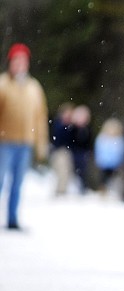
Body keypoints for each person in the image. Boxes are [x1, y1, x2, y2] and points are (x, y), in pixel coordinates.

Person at [0, 43, 48, 230]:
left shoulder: (34, 87)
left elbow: (40, 117)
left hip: (25, 142)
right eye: (16, 60)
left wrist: (40, 143)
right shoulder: (3, 84)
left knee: (18, 184)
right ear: (10, 62)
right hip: (4, 141)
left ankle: (12, 219)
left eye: (23, 61)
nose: (20, 64)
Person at [49, 102, 75, 195]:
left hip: (66, 151)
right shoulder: (59, 123)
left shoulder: (71, 126)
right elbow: (57, 138)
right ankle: (60, 191)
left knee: (67, 171)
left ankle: (62, 190)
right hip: (59, 151)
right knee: (62, 171)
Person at [94, 118, 124, 193]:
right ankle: (103, 191)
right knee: (103, 179)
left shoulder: (118, 139)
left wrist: (119, 161)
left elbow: (120, 152)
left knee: (114, 179)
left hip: (115, 163)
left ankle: (113, 191)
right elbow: (99, 150)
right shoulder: (102, 138)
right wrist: (100, 160)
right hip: (104, 163)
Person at [70, 104, 93, 193]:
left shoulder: (87, 128)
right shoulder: (72, 128)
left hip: (83, 153)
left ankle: (83, 186)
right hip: (75, 152)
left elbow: (89, 141)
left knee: (84, 170)